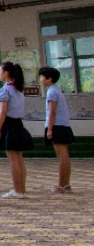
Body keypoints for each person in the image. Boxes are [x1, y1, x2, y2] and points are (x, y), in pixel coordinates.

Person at [0, 62, 33, 199]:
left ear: (6, 73)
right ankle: (21, 189)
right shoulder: (18, 89)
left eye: (0, 71)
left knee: (13, 159)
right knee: (19, 158)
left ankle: (18, 189)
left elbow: (3, 112)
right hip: (18, 124)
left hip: (9, 125)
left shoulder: (5, 90)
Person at [40, 66, 73, 194]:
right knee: (64, 155)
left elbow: (52, 111)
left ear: (49, 79)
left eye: (42, 76)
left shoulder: (51, 92)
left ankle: (62, 185)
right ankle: (66, 184)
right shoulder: (56, 90)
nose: (41, 79)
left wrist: (50, 128)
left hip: (57, 125)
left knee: (61, 156)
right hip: (62, 125)